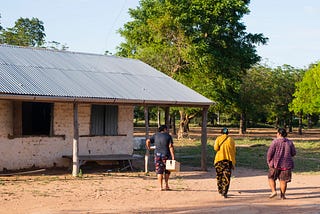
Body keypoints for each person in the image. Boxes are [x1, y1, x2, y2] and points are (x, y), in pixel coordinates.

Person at [267, 127, 296, 199]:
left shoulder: (275, 142)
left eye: (277, 133)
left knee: (271, 177)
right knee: (283, 180)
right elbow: (293, 153)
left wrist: (269, 162)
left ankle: (273, 191)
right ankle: (283, 195)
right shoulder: (290, 142)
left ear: (279, 134)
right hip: (287, 164)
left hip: (275, 164)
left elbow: (269, 153)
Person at [146, 125, 175, 191]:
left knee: (159, 171)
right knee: (167, 170)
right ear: (164, 129)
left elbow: (148, 141)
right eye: (167, 129)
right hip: (166, 155)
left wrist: (149, 148)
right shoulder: (168, 136)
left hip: (157, 155)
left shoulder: (155, 135)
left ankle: (160, 187)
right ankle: (166, 185)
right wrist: (173, 156)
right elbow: (170, 146)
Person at [213, 127, 236, 198]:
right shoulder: (231, 140)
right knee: (227, 176)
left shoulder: (218, 139)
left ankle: (220, 190)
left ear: (221, 132)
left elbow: (216, 148)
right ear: (227, 133)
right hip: (228, 161)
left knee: (219, 176)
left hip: (219, 160)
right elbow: (234, 150)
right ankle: (224, 192)